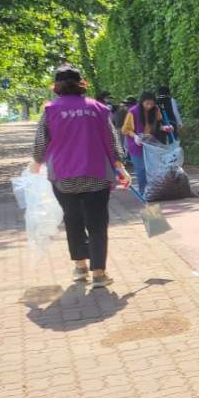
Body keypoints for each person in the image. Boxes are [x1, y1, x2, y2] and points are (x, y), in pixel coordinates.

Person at [31, 66, 130, 288]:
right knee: (97, 223)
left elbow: (40, 142)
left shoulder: (50, 110)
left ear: (56, 86)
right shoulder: (98, 108)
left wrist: (36, 162)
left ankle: (80, 267)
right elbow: (112, 140)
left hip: (64, 177)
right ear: (81, 83)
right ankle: (99, 274)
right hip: (96, 173)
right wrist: (120, 166)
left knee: (73, 219)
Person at [121, 91, 163, 194]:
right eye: (147, 103)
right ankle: (143, 192)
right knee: (141, 169)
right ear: (141, 102)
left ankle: (153, 190)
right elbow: (125, 129)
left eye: (152, 104)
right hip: (136, 144)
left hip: (151, 143)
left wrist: (165, 128)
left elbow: (159, 124)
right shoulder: (133, 111)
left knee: (153, 168)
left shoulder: (156, 110)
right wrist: (135, 136)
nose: (149, 106)